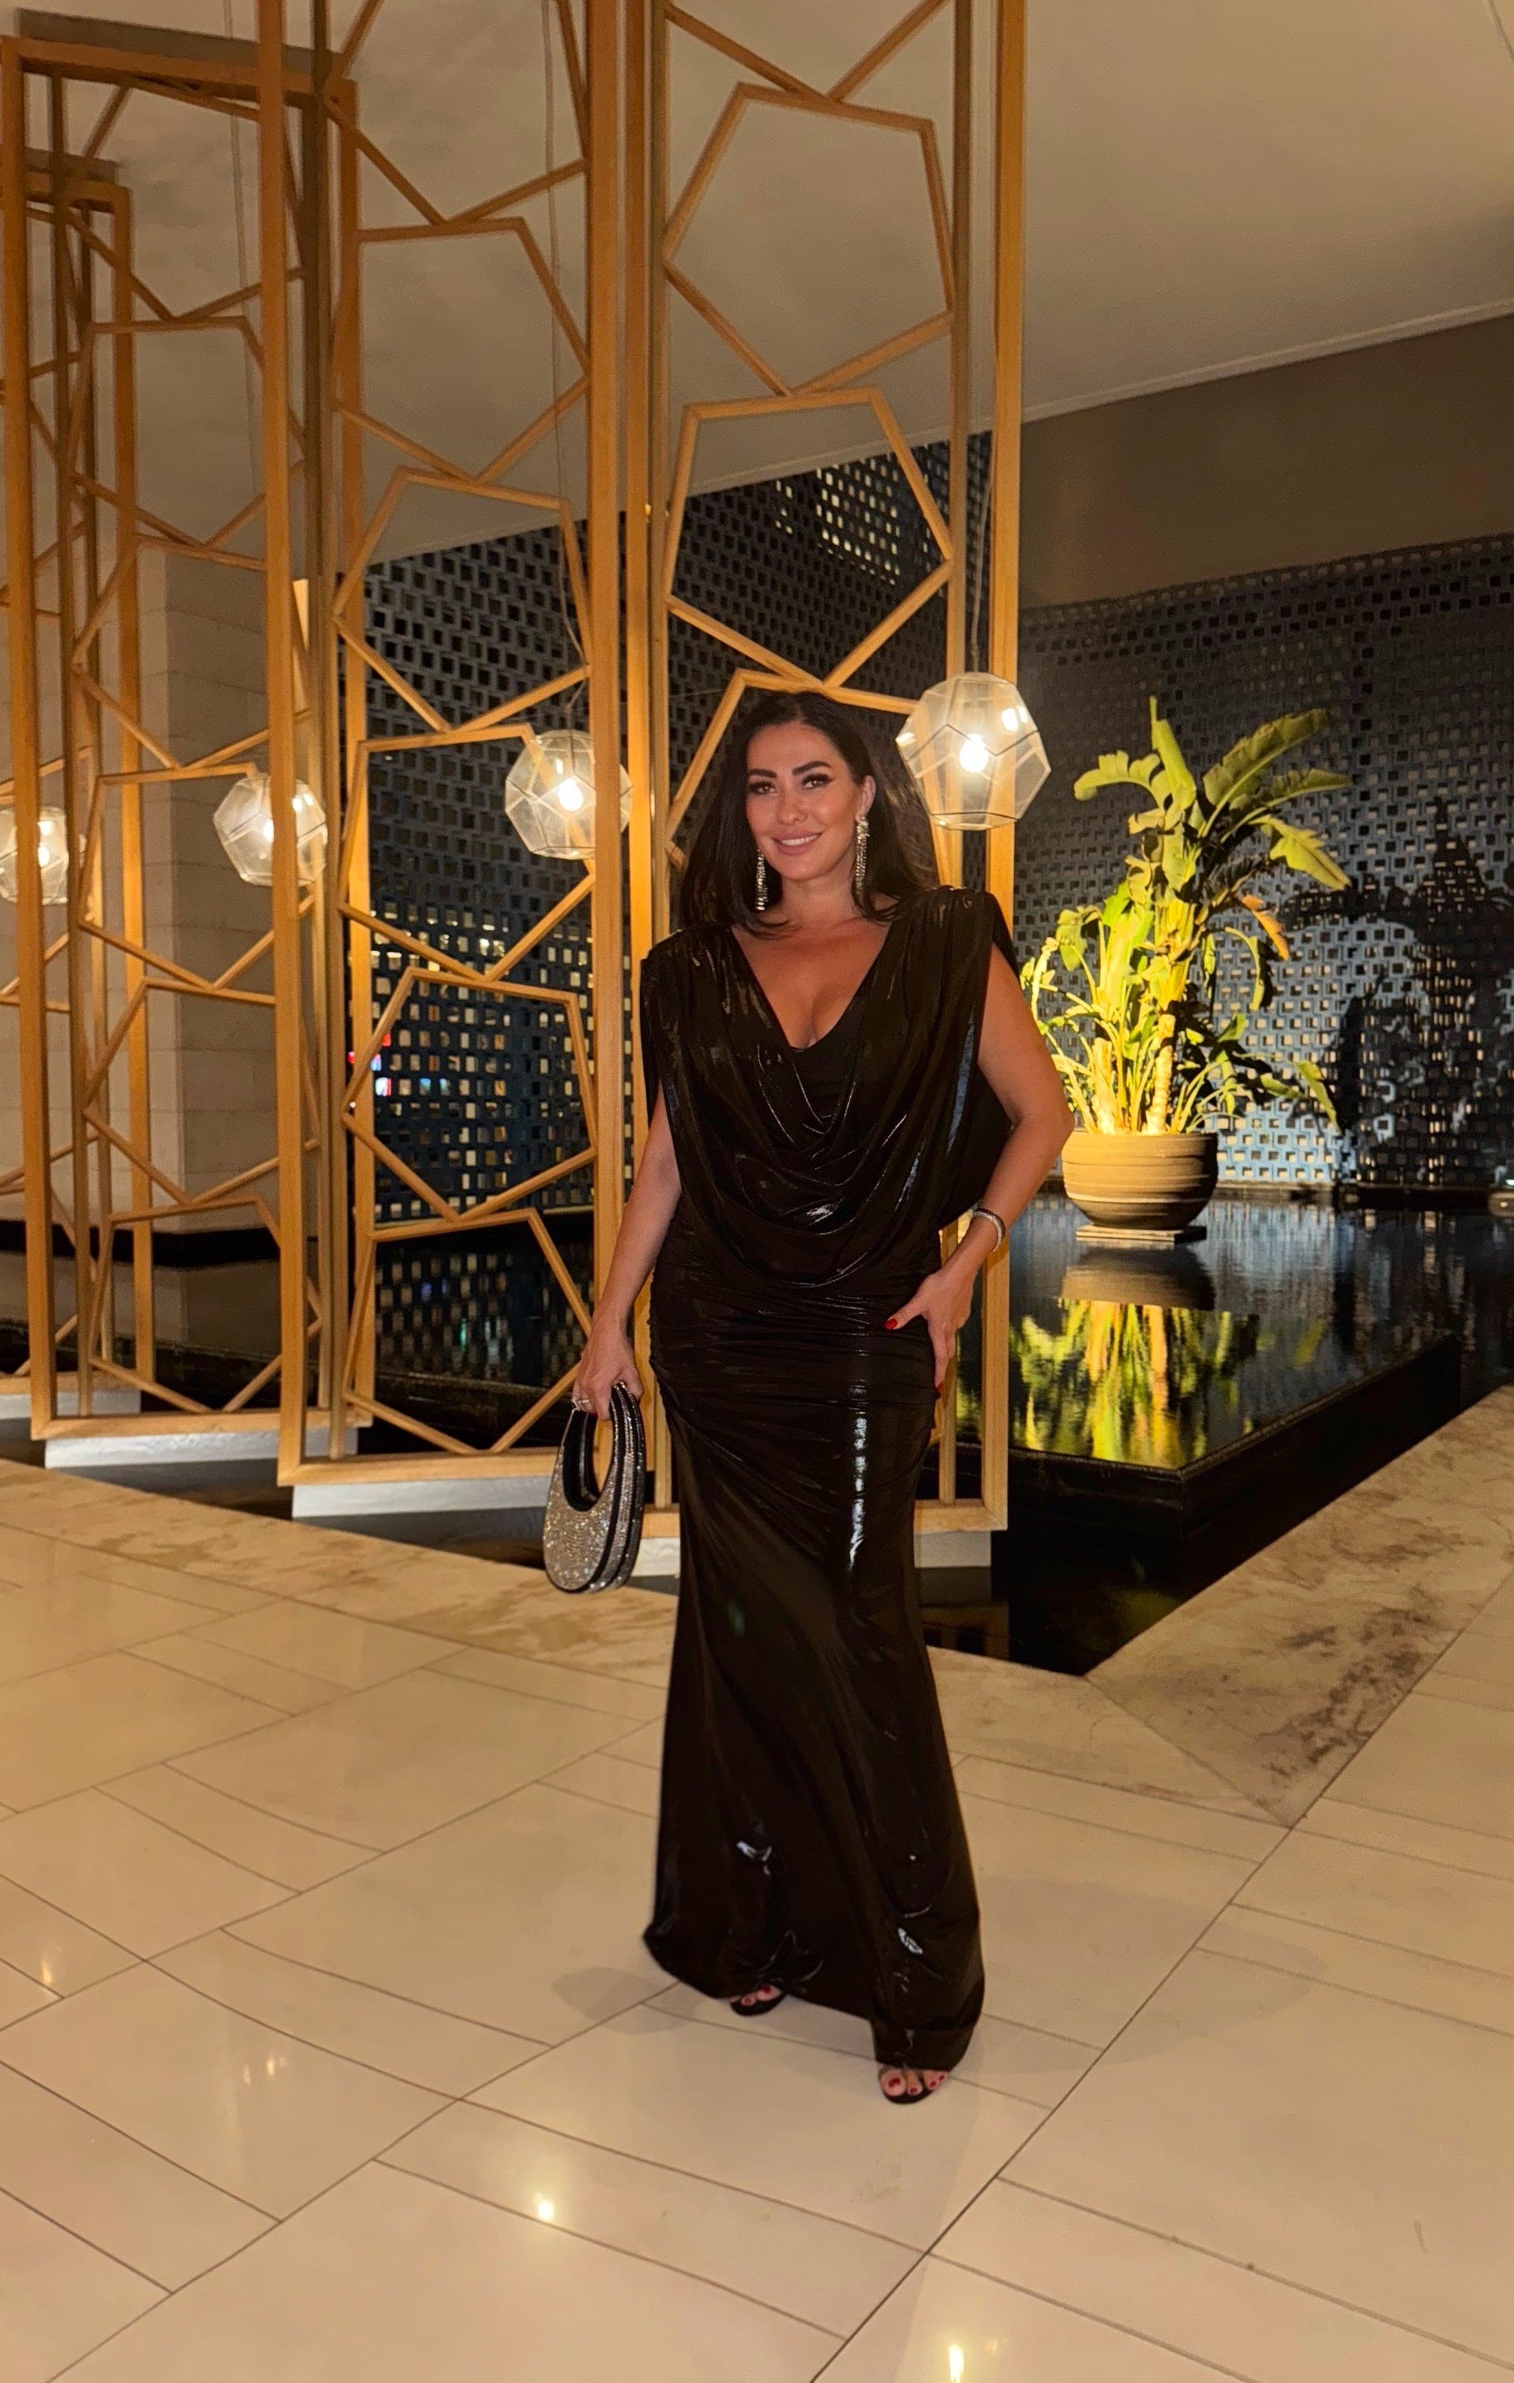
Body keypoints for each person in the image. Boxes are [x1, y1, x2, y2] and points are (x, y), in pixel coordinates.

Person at [574, 689, 1072, 2105]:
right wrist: (609, 1327)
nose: (785, 810)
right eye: (760, 785)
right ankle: (745, 1925)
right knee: (737, 1634)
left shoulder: (945, 942)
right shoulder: (694, 970)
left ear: (865, 798)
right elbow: (667, 1163)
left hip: (865, 1329)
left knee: (861, 1630)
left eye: (812, 780)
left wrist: (968, 1263)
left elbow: (1042, 1112)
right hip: (719, 1339)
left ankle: (919, 1975)